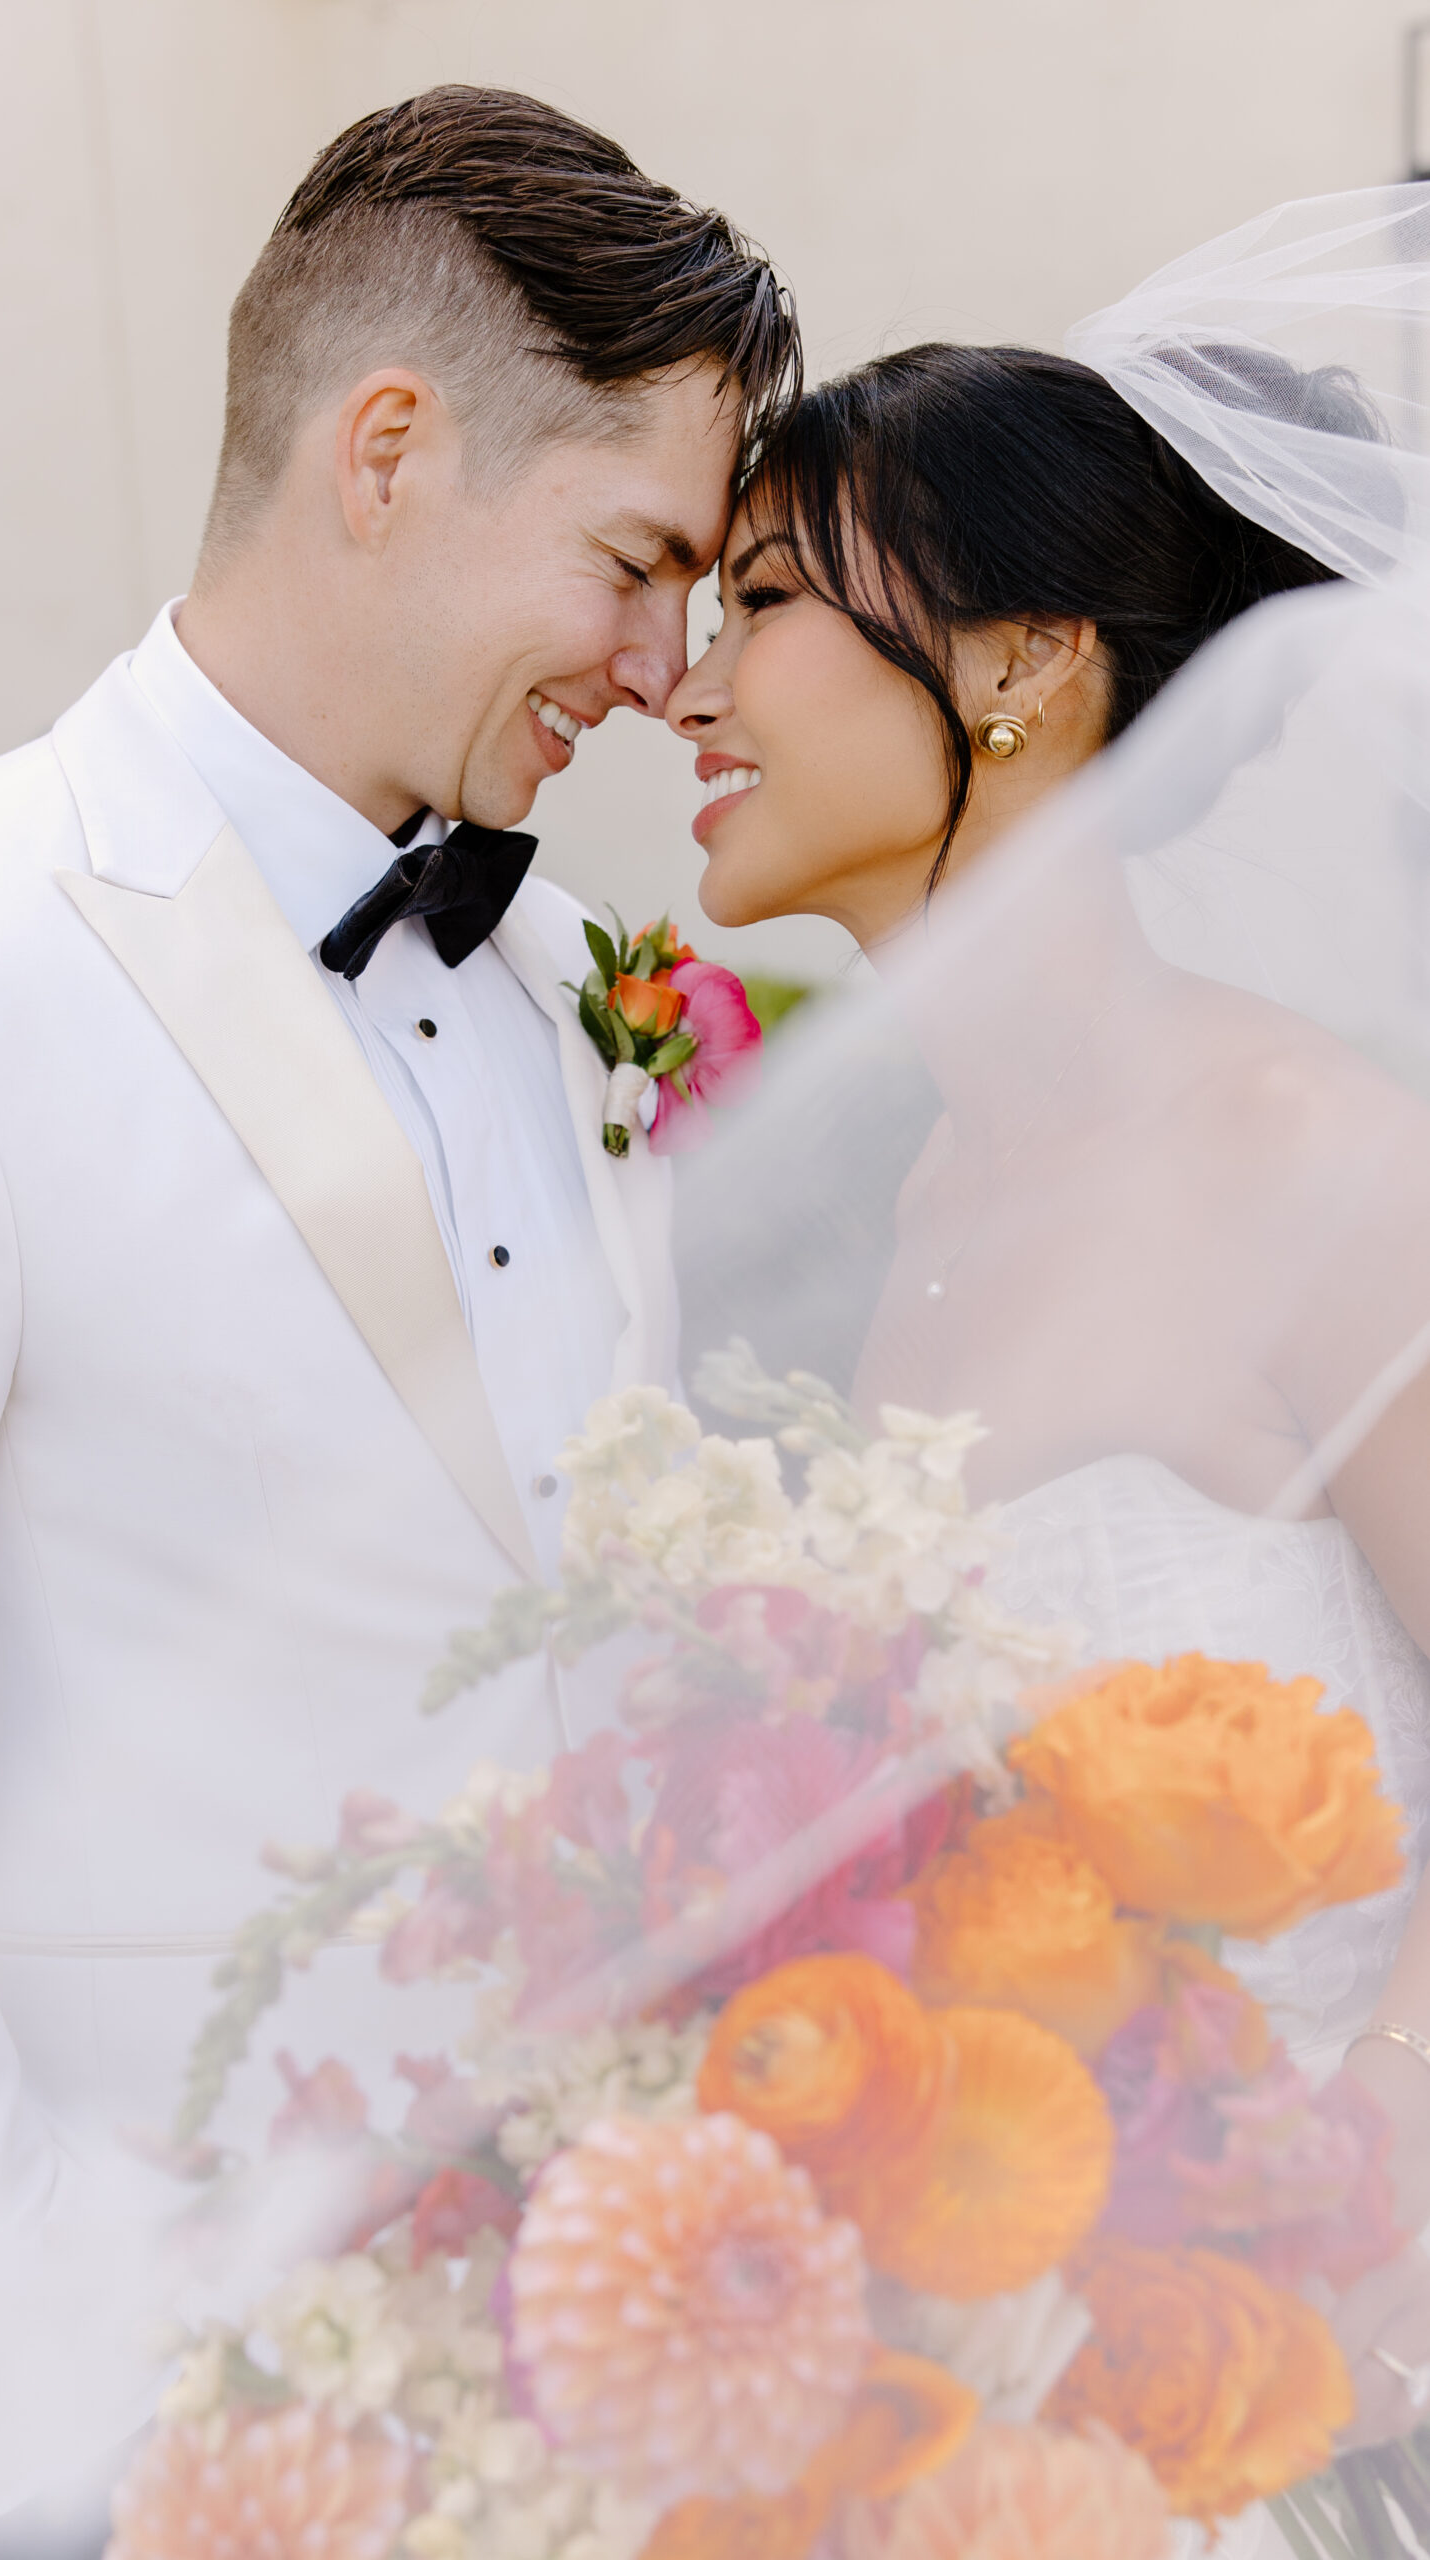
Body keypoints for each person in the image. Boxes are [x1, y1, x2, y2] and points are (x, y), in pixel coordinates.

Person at [0, 84, 798, 2500]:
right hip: (182, 2400)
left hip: (607, 2353)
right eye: (635, 559)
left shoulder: (557, 967)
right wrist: (68, 2389)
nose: (658, 665)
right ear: (386, 447)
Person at [667, 187, 1430, 2549]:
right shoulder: (864, 1218)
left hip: (1266, 2393)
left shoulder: (1304, 1145)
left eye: (767, 603)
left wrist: (1325, 2252)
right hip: (932, 2407)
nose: (687, 683)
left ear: (1018, 659)